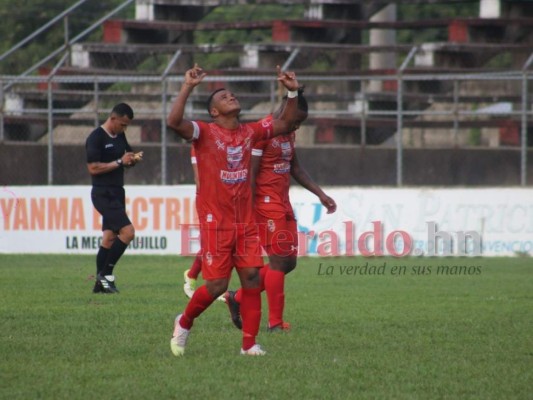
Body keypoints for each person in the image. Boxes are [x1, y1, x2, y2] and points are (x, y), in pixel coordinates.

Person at [167, 63, 300, 356]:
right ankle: (184, 322)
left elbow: (287, 123)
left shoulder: (251, 132)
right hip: (216, 222)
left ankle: (249, 344)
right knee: (215, 285)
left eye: (232, 94)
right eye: (224, 96)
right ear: (214, 111)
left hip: (245, 222)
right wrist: (187, 87)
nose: (231, 97)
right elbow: (174, 122)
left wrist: (292, 94)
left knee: (252, 278)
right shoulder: (204, 132)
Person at [226, 88, 337, 332]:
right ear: (284, 111)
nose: (296, 127)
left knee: (289, 263)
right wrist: (248, 210)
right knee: (278, 261)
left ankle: (238, 299)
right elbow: (250, 175)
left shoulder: (287, 134)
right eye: (296, 121)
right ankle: (275, 323)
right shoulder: (263, 131)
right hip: (265, 205)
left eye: (299, 123)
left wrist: (320, 194)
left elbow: (295, 167)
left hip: (283, 203)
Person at [85, 103, 140, 294]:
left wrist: (132, 160)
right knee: (128, 232)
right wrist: (119, 162)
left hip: (117, 192)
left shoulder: (120, 135)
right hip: (102, 193)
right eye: (123, 124)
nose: (124, 128)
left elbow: (126, 156)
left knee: (109, 239)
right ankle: (105, 275)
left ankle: (99, 285)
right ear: (113, 118)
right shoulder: (96, 137)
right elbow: (92, 168)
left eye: (127, 126)